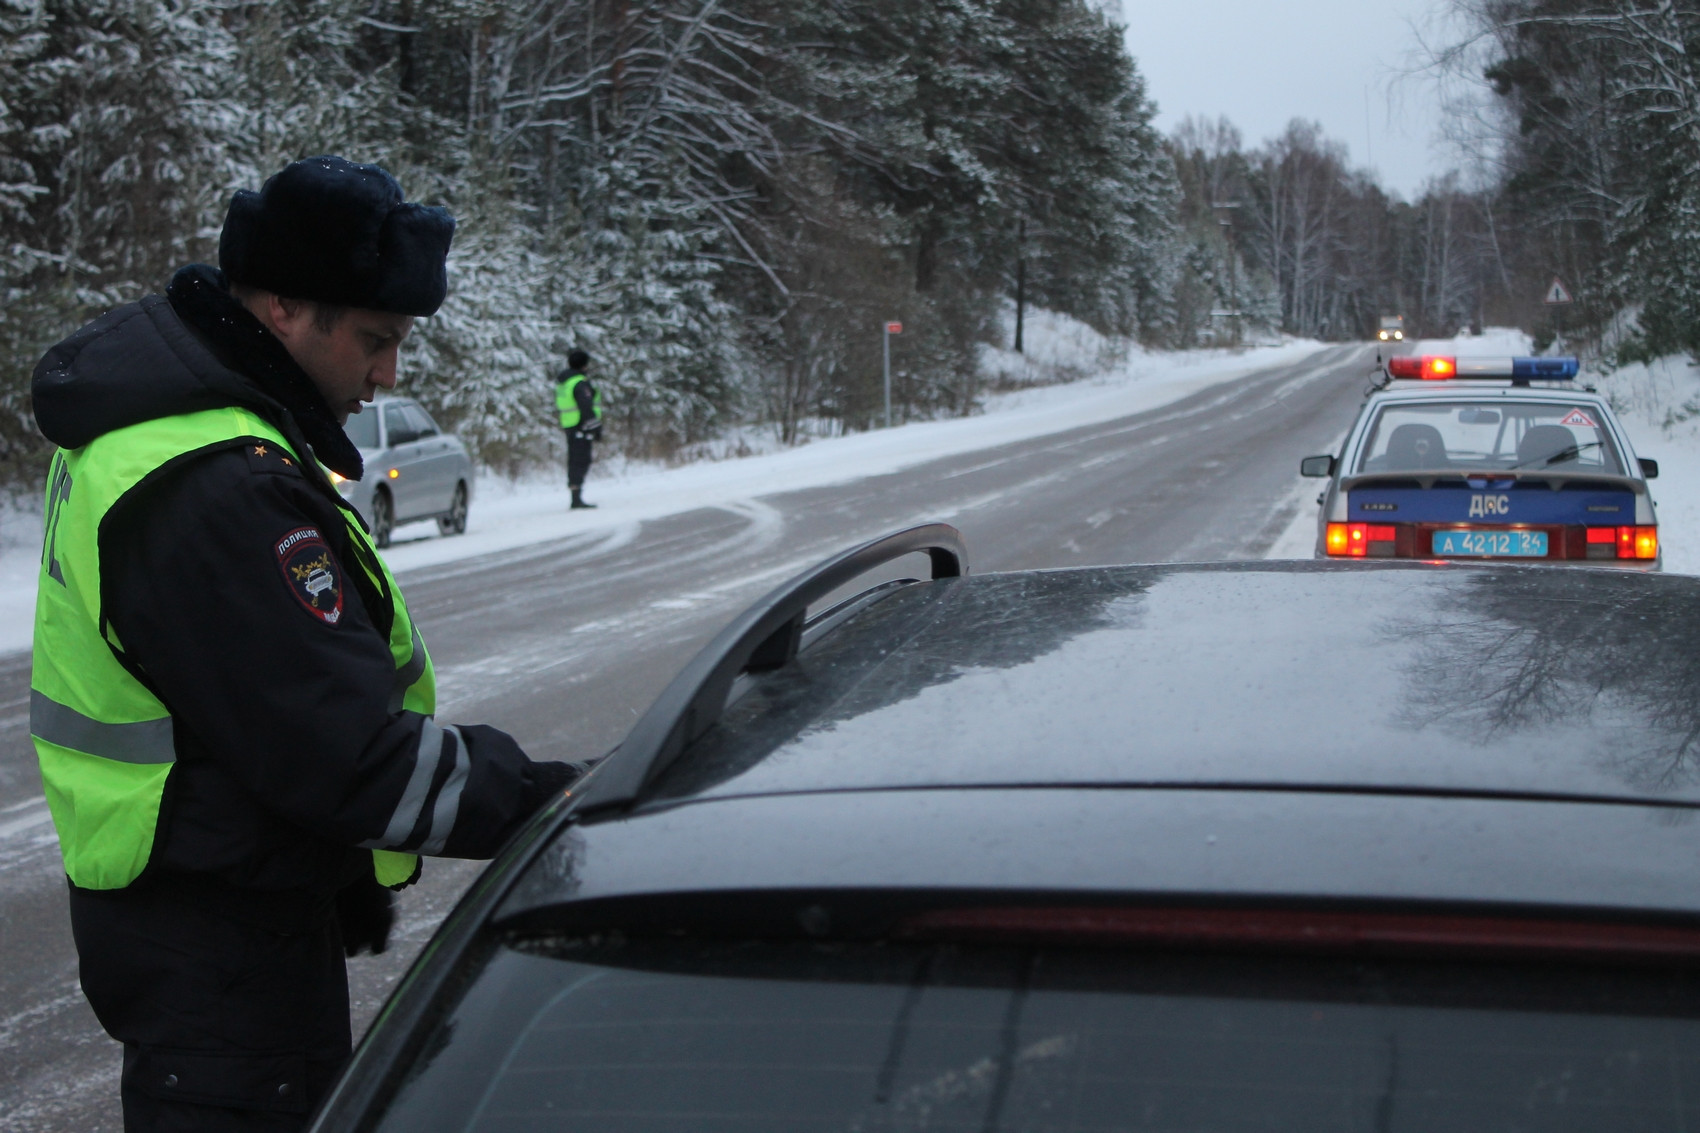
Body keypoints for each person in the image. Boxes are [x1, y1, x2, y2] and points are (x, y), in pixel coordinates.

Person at [30, 156, 586, 1132]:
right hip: (224, 962)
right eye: (376, 339)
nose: (388, 373)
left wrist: (335, 864)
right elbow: (343, 752)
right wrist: (563, 801)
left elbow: (236, 703)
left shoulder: (167, 431)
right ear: (284, 307)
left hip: (210, 924)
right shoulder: (216, 483)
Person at [554, 349, 603, 508]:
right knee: (581, 460)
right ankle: (576, 498)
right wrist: (595, 427)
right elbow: (586, 406)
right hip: (581, 425)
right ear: (584, 365)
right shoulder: (579, 382)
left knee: (575, 459)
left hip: (569, 424)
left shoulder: (564, 382)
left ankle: (575, 494)